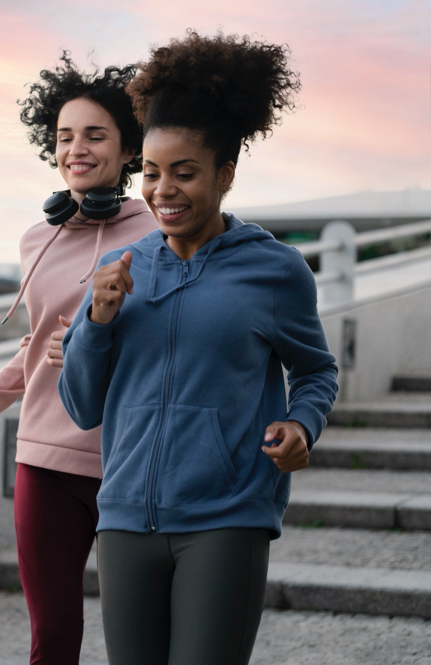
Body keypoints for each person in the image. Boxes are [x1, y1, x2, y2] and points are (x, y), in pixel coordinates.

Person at [57, 31, 339, 665]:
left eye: (184, 173)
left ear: (225, 174)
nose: (164, 191)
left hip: (227, 517)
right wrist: (98, 319)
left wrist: (301, 423)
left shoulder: (274, 270)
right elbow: (80, 405)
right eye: (152, 174)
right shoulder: (117, 267)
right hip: (126, 517)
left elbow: (316, 370)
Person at [0, 54, 157, 664]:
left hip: (131, 456)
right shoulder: (36, 239)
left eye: (95, 135)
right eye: (65, 137)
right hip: (43, 457)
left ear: (128, 149)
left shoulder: (158, 234)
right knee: (53, 635)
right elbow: (39, 342)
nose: (77, 150)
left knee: (138, 637)